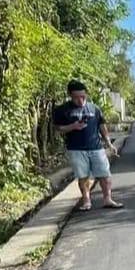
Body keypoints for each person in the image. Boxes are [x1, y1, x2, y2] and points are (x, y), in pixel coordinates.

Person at [52, 80, 123, 212]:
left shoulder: (94, 108)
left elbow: (102, 126)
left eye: (83, 96)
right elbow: (58, 128)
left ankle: (108, 199)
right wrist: (73, 126)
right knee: (83, 176)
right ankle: (86, 200)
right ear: (70, 95)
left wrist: (108, 143)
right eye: (77, 97)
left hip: (96, 147)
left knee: (105, 174)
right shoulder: (62, 110)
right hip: (76, 149)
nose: (80, 100)